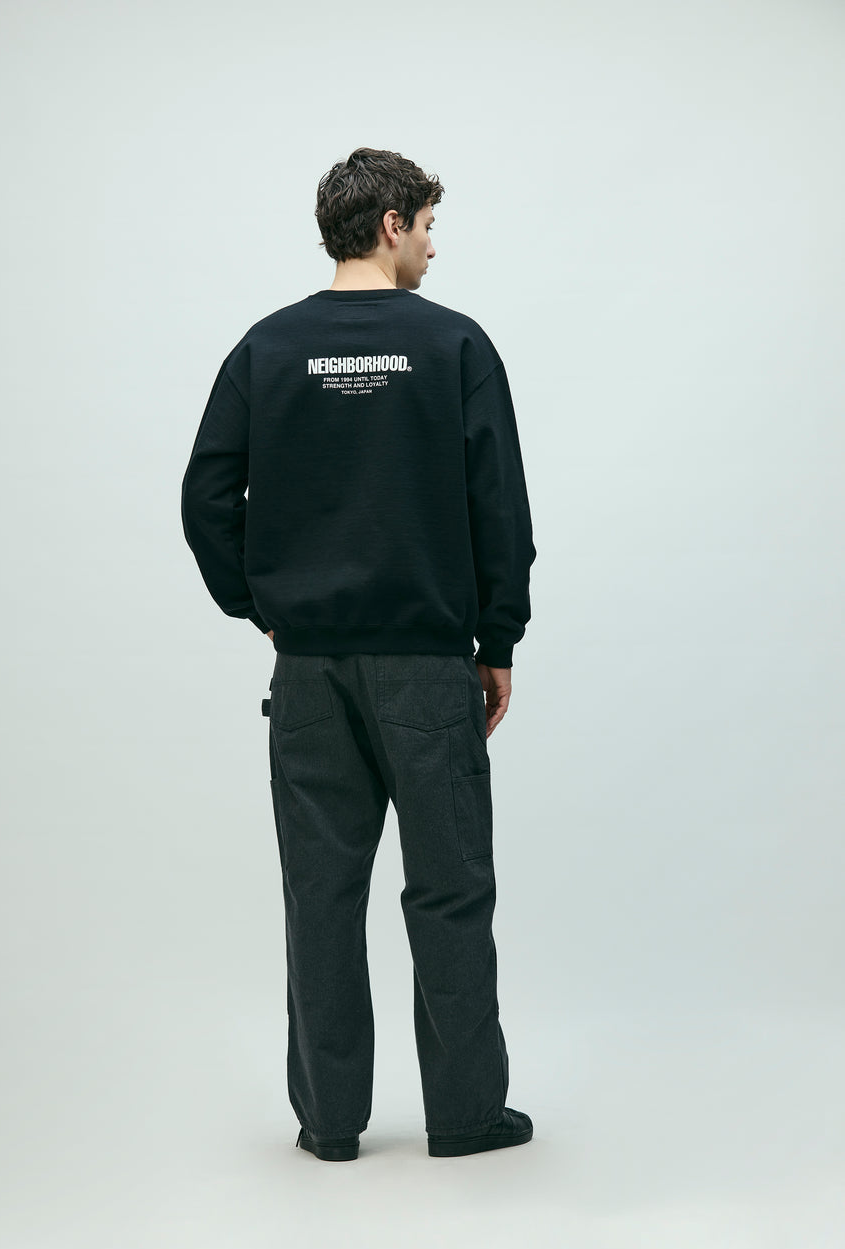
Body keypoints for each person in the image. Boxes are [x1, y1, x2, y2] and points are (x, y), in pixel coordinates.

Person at [181, 147, 537, 1162]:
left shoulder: (265, 349)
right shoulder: (454, 344)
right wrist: (498, 640)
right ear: (390, 225)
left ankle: (330, 1123)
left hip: (308, 676)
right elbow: (499, 508)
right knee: (450, 889)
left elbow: (206, 496)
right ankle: (465, 1116)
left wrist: (263, 609)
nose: (432, 245)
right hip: (427, 667)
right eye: (426, 225)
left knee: (321, 896)